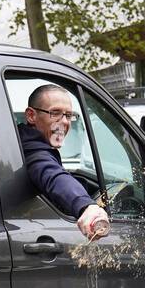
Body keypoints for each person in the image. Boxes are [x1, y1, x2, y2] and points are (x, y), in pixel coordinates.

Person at [18, 84, 110, 240]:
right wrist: (86, 207)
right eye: (55, 113)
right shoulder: (31, 150)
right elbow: (51, 174)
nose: (65, 122)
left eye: (68, 115)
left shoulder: (25, 140)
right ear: (31, 116)